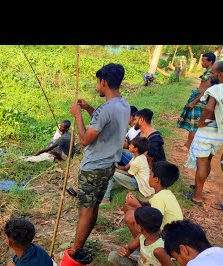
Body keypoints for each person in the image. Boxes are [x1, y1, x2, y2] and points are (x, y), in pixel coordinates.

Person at [69, 63, 130, 250]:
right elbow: (105, 121)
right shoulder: (123, 104)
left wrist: (78, 116)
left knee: (85, 211)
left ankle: (76, 251)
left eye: (98, 82)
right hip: (109, 165)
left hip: (93, 166)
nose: (97, 86)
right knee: (94, 206)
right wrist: (88, 109)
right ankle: (82, 244)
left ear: (103, 82)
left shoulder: (106, 109)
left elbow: (85, 140)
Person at [184, 60, 223, 206]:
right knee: (208, 161)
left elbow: (208, 108)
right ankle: (198, 188)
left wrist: (201, 123)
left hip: (208, 129)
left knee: (201, 163)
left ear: (220, 74)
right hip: (219, 132)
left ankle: (197, 196)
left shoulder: (217, 88)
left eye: (213, 73)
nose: (211, 75)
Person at [124, 160, 183, 238]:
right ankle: (141, 240)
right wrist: (136, 199)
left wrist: (137, 204)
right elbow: (149, 205)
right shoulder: (166, 193)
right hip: (170, 231)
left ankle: (144, 247)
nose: (148, 176)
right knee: (128, 206)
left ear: (156, 179)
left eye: (150, 174)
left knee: (130, 216)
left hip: (166, 236)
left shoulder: (159, 198)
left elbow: (152, 220)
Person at [176, 52, 216, 150]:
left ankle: (189, 145)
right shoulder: (208, 72)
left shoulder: (210, 74)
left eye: (204, 61)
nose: (202, 62)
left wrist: (194, 102)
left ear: (210, 61)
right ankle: (188, 143)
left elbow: (206, 90)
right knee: (192, 123)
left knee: (194, 124)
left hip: (200, 100)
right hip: (198, 98)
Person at [102, 136, 154, 203]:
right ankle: (104, 187)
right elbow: (125, 168)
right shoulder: (138, 156)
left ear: (136, 149)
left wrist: (117, 174)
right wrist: (113, 166)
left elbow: (129, 175)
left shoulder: (137, 162)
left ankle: (106, 199)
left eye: (131, 145)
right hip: (134, 177)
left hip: (136, 183)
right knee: (111, 170)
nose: (129, 146)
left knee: (111, 174)